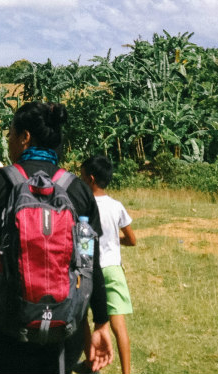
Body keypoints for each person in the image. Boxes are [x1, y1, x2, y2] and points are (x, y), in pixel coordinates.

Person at [0, 101, 114, 374]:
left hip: (10, 325)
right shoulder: (77, 190)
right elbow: (89, 261)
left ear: (25, 137)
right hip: (66, 326)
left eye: (11, 135)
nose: (9, 141)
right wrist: (101, 322)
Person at [80, 155, 137, 374]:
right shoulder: (116, 206)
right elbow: (132, 239)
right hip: (112, 268)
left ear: (91, 179)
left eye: (82, 177)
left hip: (88, 267)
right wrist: (115, 240)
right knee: (118, 324)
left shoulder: (83, 206)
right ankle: (126, 371)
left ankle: (91, 363)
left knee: (84, 318)